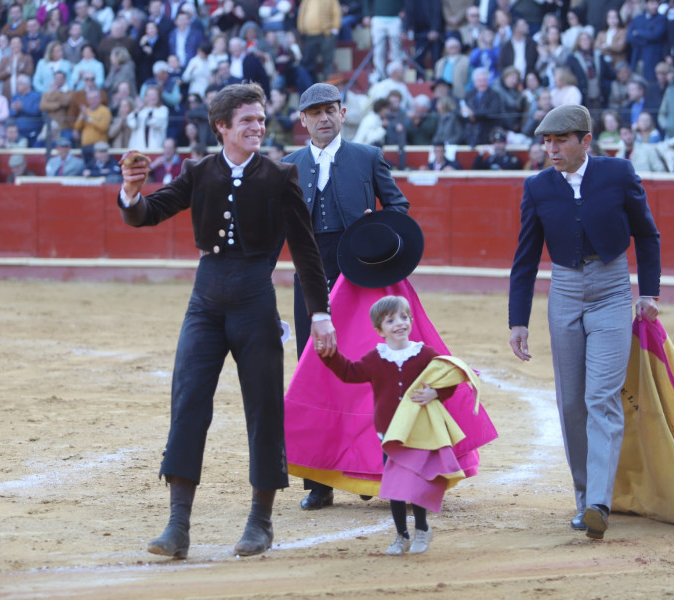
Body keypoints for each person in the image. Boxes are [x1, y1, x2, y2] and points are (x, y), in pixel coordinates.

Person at [118, 82, 335, 560]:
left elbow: (304, 250)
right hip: (206, 302)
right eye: (248, 122)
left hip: (255, 301)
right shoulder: (199, 172)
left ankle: (260, 521)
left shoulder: (280, 176)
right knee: (189, 400)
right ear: (222, 127)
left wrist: (320, 313)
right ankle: (178, 525)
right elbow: (149, 213)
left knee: (263, 409)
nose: (258, 127)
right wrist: (132, 193)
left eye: (260, 120)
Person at [509, 104, 661, 541]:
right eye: (546, 142)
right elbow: (524, 258)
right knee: (571, 401)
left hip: (613, 290)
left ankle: (598, 502)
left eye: (560, 141)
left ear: (585, 141)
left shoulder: (618, 173)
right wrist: (518, 319)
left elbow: (647, 234)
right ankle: (583, 500)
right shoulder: (537, 186)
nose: (551, 149)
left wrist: (647, 291)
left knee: (601, 396)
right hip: (565, 291)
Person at [280, 82, 409, 510]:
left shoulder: (367, 157)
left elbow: (399, 208)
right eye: (314, 112)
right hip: (310, 275)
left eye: (329, 110)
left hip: (361, 279)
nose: (322, 118)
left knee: (373, 371)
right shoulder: (289, 165)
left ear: (343, 112)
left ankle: (381, 465)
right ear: (302, 120)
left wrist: (379, 228)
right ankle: (320, 481)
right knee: (315, 368)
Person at [319, 294, 457, 555]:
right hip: (390, 433)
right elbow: (349, 373)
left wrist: (436, 393)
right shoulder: (376, 358)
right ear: (379, 330)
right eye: (390, 320)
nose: (399, 323)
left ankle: (421, 529)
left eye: (404, 317)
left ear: (411, 321)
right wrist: (330, 356)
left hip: (419, 431)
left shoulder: (425, 353)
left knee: (416, 483)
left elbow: (449, 376)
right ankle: (401, 535)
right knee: (395, 485)